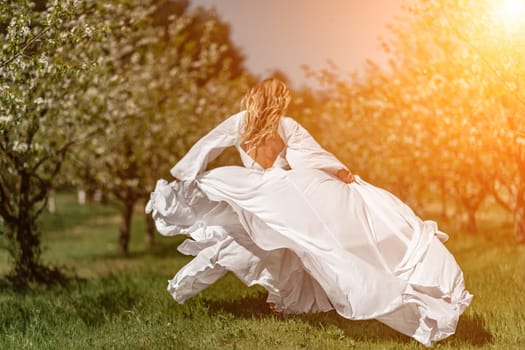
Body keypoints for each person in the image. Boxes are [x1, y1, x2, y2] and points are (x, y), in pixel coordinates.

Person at [146, 78, 472, 347]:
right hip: (287, 190)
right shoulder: (285, 125)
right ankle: (309, 299)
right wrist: (344, 175)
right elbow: (310, 156)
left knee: (274, 245)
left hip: (260, 193)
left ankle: (287, 302)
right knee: (305, 247)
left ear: (254, 98)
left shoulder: (239, 123)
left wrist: (183, 174)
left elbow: (208, 144)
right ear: (279, 102)